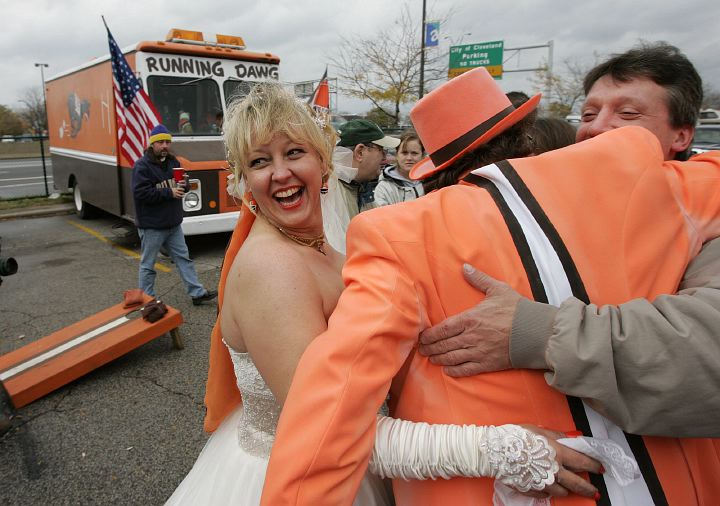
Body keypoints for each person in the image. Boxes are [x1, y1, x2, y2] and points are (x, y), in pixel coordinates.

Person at [261, 67, 720, 505]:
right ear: (525, 136)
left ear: (434, 164)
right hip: (672, 482)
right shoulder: (652, 185)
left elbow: (332, 405)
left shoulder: (400, 233)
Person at [168, 84, 602, 505]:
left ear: (322, 162)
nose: (280, 172)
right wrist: (500, 448)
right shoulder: (270, 268)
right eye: (260, 161)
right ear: (243, 180)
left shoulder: (325, 247)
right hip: (300, 478)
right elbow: (330, 431)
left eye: (293, 152)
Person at [418, 42, 720, 437]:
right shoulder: (532, 216)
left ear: (682, 135)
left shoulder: (708, 212)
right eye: (589, 113)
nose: (595, 127)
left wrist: (537, 333)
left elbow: (702, 358)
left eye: (627, 114)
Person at [132, 124, 217, 305]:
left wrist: (184, 184)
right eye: (160, 142)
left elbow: (182, 184)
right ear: (152, 145)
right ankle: (147, 300)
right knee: (148, 265)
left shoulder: (173, 163)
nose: (164, 145)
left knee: (184, 259)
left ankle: (197, 293)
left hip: (173, 224)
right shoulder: (142, 166)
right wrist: (169, 193)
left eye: (167, 142)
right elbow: (140, 193)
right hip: (152, 226)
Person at [335, 119, 400, 217]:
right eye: (381, 150)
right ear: (360, 152)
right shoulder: (330, 195)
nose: (385, 157)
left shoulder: (360, 188)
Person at [373, 132, 425, 206]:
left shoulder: (432, 183)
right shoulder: (385, 188)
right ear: (397, 155)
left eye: (414, 153)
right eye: (404, 153)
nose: (409, 158)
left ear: (422, 156)